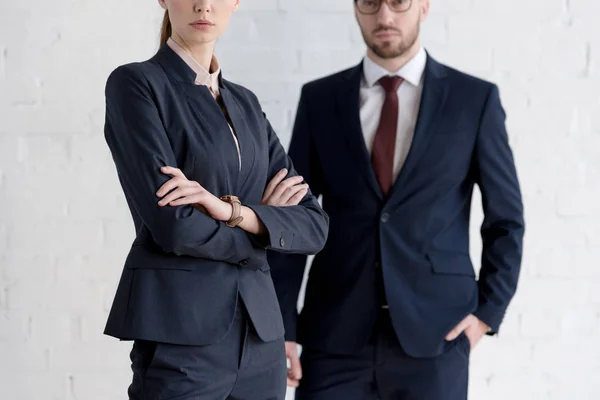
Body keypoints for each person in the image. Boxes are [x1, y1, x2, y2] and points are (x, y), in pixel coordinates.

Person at [268, 0, 525, 399]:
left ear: (423, 7)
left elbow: (505, 221)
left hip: (438, 336)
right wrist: (282, 326)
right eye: (370, 3)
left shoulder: (473, 100)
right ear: (356, 9)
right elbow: (291, 218)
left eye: (398, 2)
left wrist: (486, 315)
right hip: (332, 334)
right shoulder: (320, 99)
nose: (384, 17)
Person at [102, 0, 329, 398]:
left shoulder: (246, 103)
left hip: (262, 342)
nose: (204, 5)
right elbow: (176, 228)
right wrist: (266, 227)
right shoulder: (137, 84)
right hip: (180, 336)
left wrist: (230, 212)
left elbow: (313, 226)